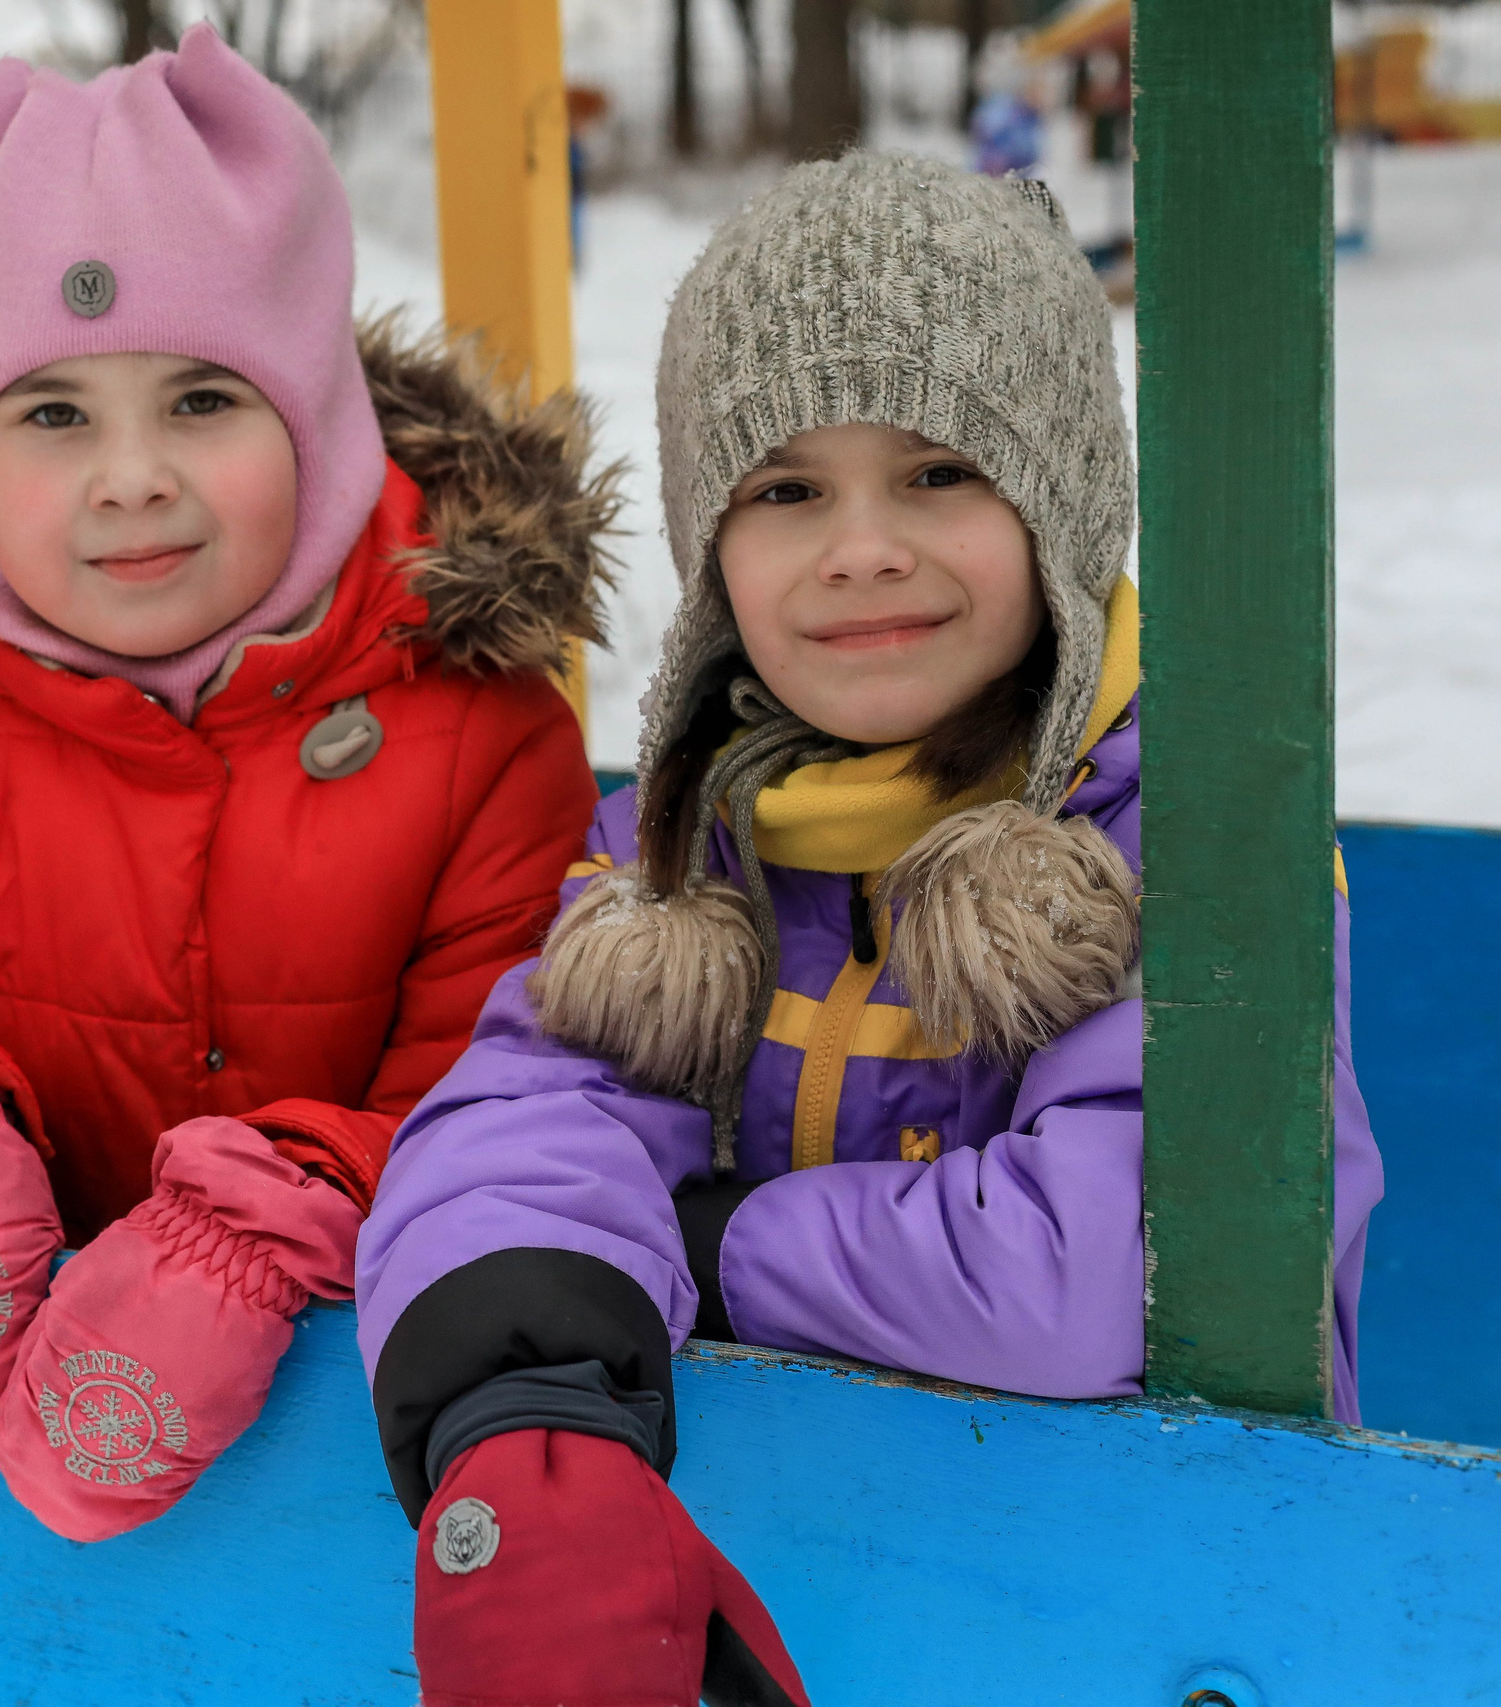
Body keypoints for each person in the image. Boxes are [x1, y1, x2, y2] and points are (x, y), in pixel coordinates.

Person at [354, 153, 1383, 1707]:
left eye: (939, 472)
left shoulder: (1179, 833)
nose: (861, 550)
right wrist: (533, 1384)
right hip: (831, 1597)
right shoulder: (677, 845)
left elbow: (1114, 1267)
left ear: (1062, 497)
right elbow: (523, 1118)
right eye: (785, 491)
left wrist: (709, 1251)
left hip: (1156, 1608)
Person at [0, 24, 613, 1546]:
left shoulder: (477, 728)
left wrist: (259, 1228)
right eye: (55, 413)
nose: (129, 476)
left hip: (336, 1502)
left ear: (319, 421)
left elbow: (490, 1088)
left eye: (203, 401)